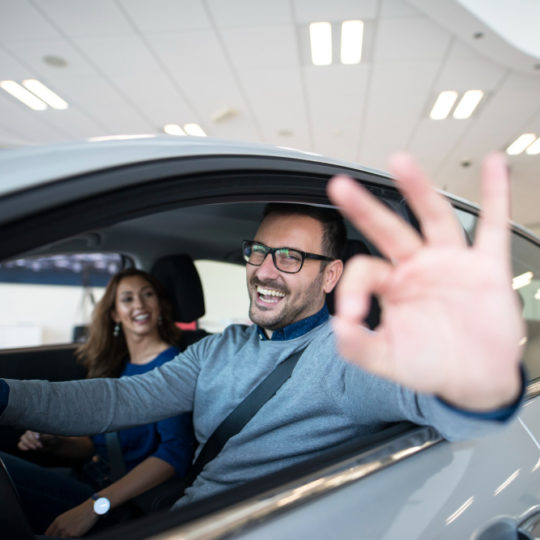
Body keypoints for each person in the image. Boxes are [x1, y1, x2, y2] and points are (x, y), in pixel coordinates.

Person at [0, 153, 524, 515]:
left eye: (292, 257)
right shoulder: (218, 347)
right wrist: (6, 396)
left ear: (331, 275)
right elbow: (118, 399)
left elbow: (446, 402)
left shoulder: (349, 358)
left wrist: (480, 370)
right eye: (260, 252)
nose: (265, 271)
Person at [0, 268, 196, 537]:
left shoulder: (173, 365)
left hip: (113, 500)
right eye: (127, 299)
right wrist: (55, 442)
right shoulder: (123, 364)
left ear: (160, 306)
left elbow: (175, 454)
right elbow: (101, 445)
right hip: (89, 478)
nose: (139, 304)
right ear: (115, 314)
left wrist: (95, 506)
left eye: (147, 295)